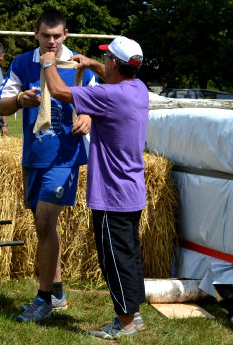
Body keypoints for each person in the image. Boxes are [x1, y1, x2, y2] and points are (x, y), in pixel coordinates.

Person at [42, 36, 148, 339]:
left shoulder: (110, 96)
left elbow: (61, 91)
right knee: (128, 256)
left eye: (106, 59)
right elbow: (109, 74)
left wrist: (49, 63)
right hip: (130, 192)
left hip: (112, 195)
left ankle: (124, 324)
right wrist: (89, 63)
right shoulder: (137, 89)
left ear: (114, 63)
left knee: (114, 260)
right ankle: (134, 315)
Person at [0, 9, 97, 323]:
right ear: (36, 34)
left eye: (57, 36)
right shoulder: (22, 63)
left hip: (65, 157)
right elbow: (1, 102)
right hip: (34, 155)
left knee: (43, 220)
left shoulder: (80, 65)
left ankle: (42, 300)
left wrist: (86, 116)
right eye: (46, 36)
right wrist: (19, 101)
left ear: (66, 35)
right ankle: (57, 293)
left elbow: (97, 103)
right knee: (45, 227)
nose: (51, 41)